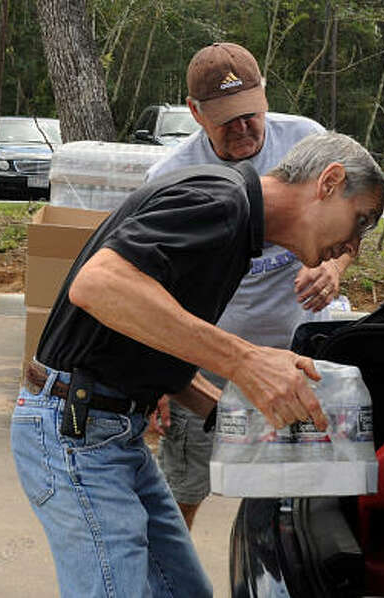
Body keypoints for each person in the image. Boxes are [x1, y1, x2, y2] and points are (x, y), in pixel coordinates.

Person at [11, 130, 384, 597]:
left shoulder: (234, 220)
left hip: (111, 429)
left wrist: (229, 409)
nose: (353, 245)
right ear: (329, 182)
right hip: (75, 430)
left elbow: (145, 325)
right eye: (361, 220)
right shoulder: (222, 202)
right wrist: (246, 361)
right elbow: (99, 285)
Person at [145, 41, 353, 529]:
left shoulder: (310, 142)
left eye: (249, 113)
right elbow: (149, 289)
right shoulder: (169, 178)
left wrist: (333, 268)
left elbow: (350, 228)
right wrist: (156, 376)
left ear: (264, 96)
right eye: (225, 119)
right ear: (195, 112)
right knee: (183, 489)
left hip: (300, 355)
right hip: (209, 360)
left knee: (299, 494)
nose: (241, 128)